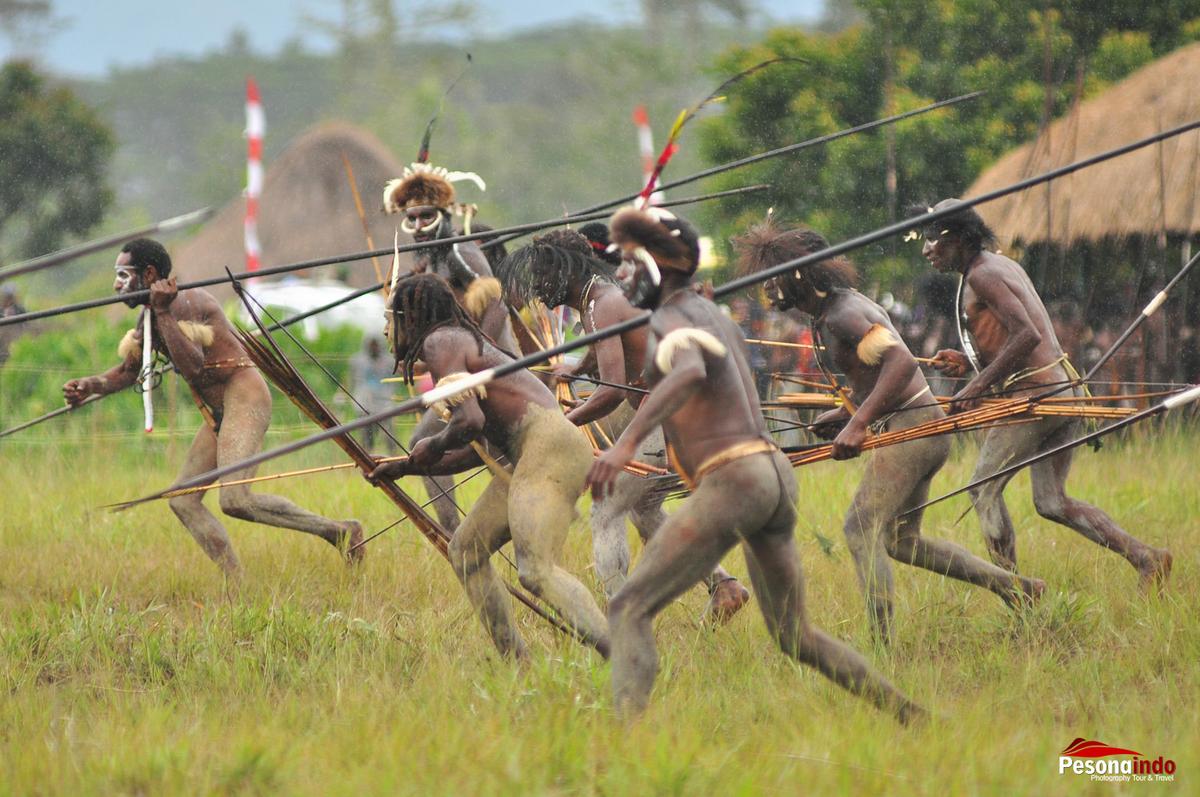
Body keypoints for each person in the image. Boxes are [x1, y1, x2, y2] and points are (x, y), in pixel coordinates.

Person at [587, 206, 921, 722]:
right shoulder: (707, 313)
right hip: (772, 476)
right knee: (795, 635)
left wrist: (625, 443)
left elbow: (689, 371)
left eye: (631, 263)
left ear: (660, 264)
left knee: (628, 607)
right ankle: (908, 714)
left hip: (734, 480)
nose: (623, 276)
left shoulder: (674, 318)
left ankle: (622, 745)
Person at [734, 221, 1044, 643]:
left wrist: (858, 423)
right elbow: (876, 372)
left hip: (914, 428)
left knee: (860, 529)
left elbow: (901, 364)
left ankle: (883, 647)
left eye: (774, 276)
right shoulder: (831, 312)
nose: (768, 287)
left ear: (800, 274)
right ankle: (1018, 588)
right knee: (900, 540)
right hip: (920, 426)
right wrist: (846, 411)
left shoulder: (842, 314)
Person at [63, 239, 362, 578]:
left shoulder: (186, 303)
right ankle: (238, 583)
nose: (116, 285)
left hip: (244, 396)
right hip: (217, 413)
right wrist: (89, 385)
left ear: (149, 274)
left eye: (123, 275)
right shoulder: (149, 317)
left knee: (235, 500)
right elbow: (128, 373)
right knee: (182, 499)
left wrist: (163, 313)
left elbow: (193, 366)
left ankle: (338, 530)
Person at [920, 199, 1172, 588]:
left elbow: (1028, 334)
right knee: (1052, 502)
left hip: (1036, 399)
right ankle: (1147, 558)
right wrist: (969, 363)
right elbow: (1017, 337)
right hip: (1061, 392)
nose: (927, 249)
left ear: (958, 239)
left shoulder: (983, 275)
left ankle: (1016, 594)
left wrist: (978, 385)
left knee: (982, 490)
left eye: (933, 239)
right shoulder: (998, 266)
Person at [500, 229, 750, 617]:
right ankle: (724, 585)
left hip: (673, 412)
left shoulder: (603, 304)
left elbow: (612, 391)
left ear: (567, 270)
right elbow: (610, 350)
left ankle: (619, 618)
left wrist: (562, 423)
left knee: (606, 510)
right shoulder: (600, 300)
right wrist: (576, 369)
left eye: (545, 273)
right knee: (644, 509)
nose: (539, 286)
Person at [367, 273, 609, 658]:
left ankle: (623, 655)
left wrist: (433, 443)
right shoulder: (454, 342)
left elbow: (468, 422)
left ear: (410, 317)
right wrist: (406, 467)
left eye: (390, 319)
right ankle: (517, 663)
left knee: (536, 571)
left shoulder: (439, 342)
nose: (386, 331)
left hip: (549, 446)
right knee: (465, 551)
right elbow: (474, 450)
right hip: (529, 453)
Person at [383, 160, 515, 530]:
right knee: (425, 443)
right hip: (463, 373)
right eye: (412, 219)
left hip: (492, 369)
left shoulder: (459, 251)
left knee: (504, 462)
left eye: (426, 217)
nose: (419, 227)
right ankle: (453, 533)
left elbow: (497, 303)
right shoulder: (428, 260)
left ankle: (471, 534)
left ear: (443, 215)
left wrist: (480, 359)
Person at [350, 336, 397, 452]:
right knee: (367, 437)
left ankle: (394, 456)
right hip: (365, 404)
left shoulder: (388, 362)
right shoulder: (358, 361)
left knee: (389, 436)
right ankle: (367, 457)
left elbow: (393, 381)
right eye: (372, 345)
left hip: (384, 404)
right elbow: (354, 381)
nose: (374, 348)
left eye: (376, 345)